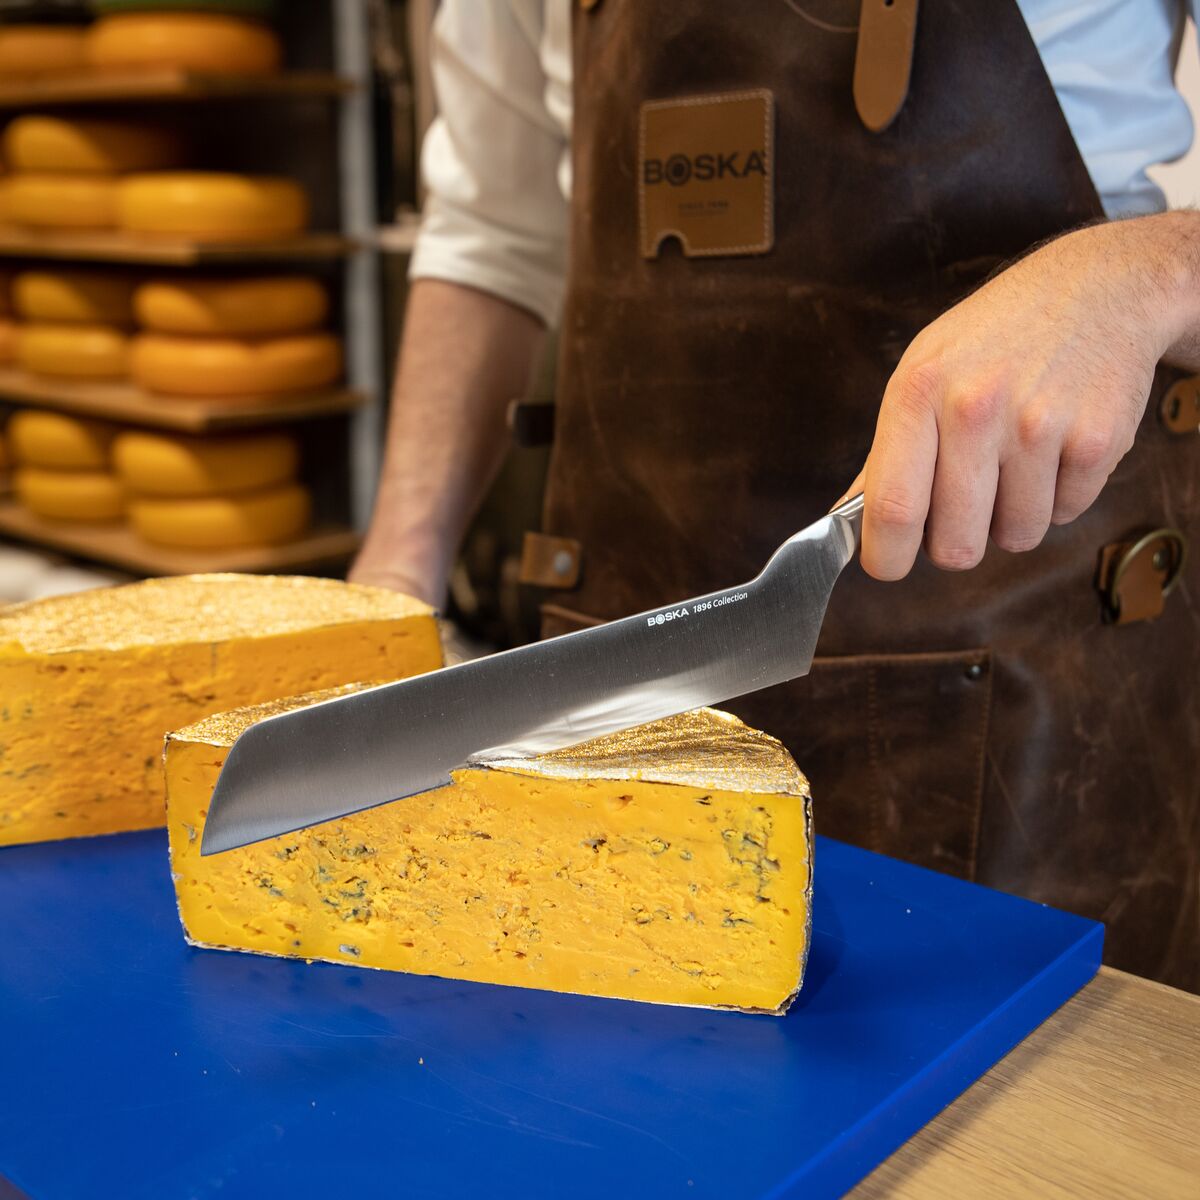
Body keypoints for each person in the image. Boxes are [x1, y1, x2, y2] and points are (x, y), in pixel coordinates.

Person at [352, 1, 1199, 992]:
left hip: (1032, 711)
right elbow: (492, 231)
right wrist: (396, 573)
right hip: (625, 679)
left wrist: (1148, 271)